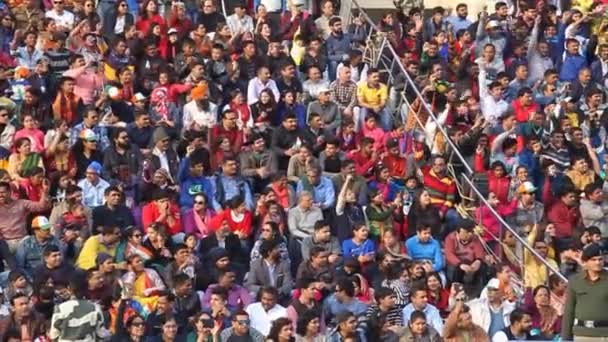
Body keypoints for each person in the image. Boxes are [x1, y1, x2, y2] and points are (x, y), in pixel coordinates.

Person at [561, 243, 608, 340]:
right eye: (594, 260)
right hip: (582, 334)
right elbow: (569, 310)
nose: (598, 262)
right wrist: (565, 337)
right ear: (585, 261)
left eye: (600, 259)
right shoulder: (575, 281)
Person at [49, 274, 107, 341]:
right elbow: (101, 334)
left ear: (69, 289)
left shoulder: (60, 308)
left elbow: (54, 335)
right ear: (87, 288)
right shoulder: (95, 308)